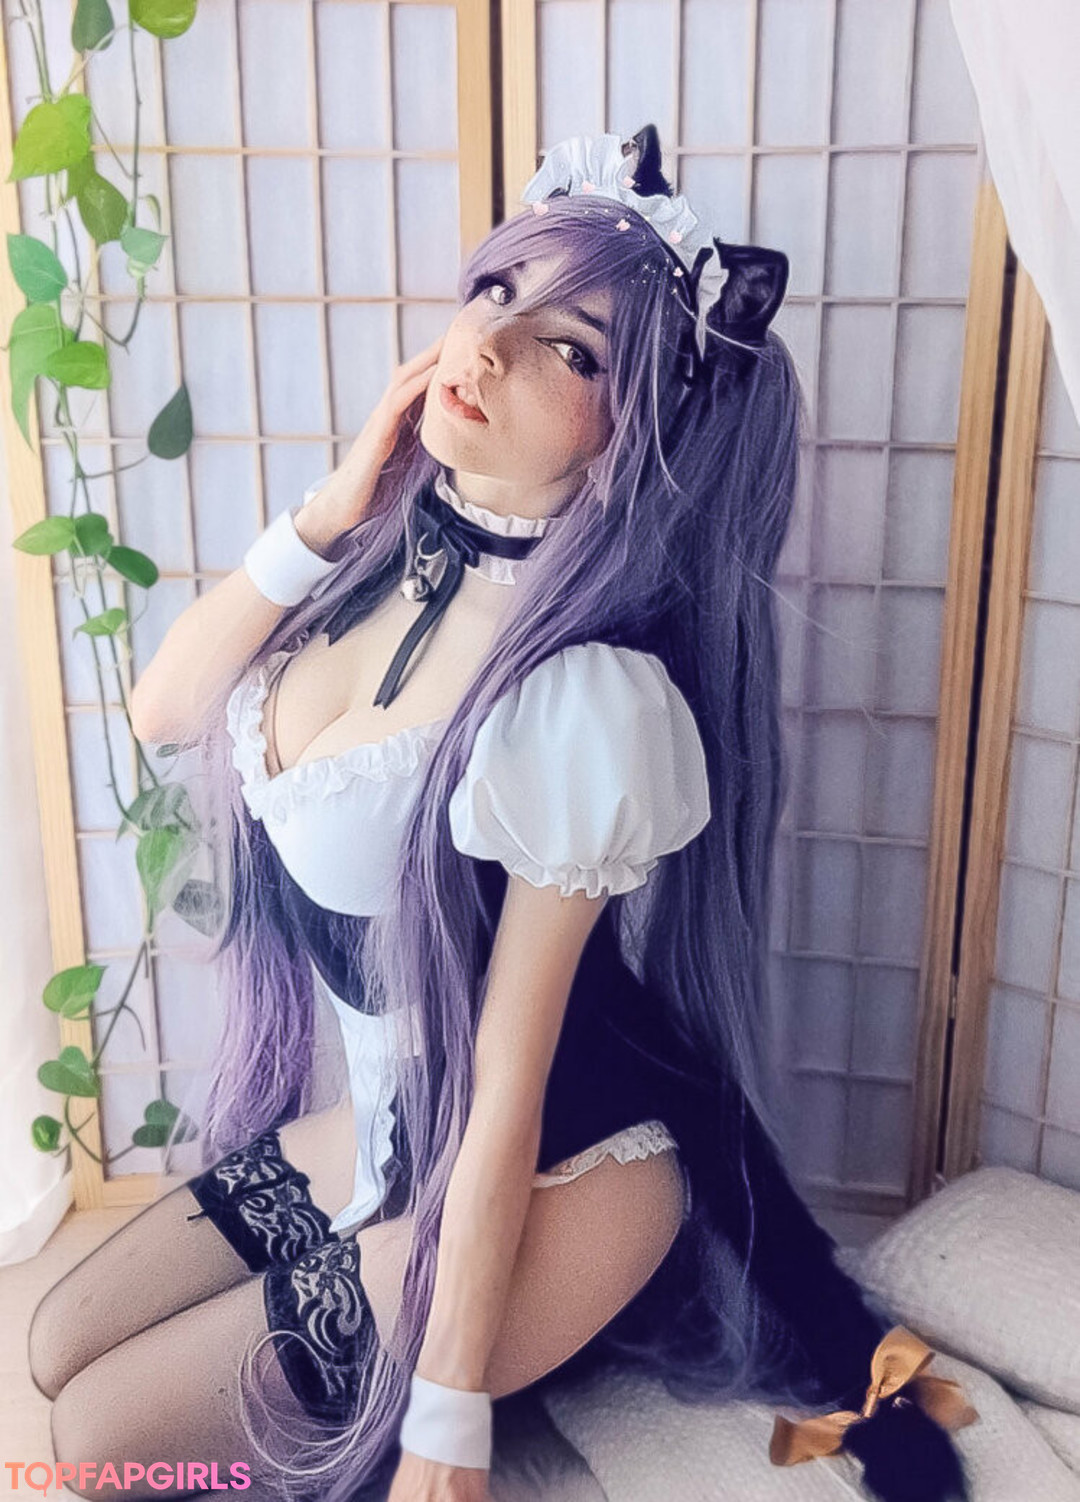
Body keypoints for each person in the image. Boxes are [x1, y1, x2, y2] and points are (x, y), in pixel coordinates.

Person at [28, 126, 974, 1502]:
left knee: (93, 1441)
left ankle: (570, 1324)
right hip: (392, 1121)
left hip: (557, 1169)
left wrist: (448, 1423)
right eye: (494, 293)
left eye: (570, 350)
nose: (490, 345)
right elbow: (166, 709)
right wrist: (332, 506)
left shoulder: (583, 697)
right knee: (53, 1341)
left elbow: (511, 1084)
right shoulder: (365, 570)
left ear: (632, 434)